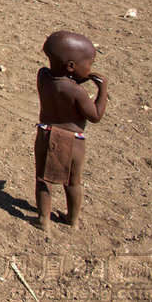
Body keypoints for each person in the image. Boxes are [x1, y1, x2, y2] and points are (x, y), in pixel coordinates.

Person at [35, 31, 107, 231]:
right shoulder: (78, 92)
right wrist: (102, 89)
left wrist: (77, 76)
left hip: (45, 133)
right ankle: (72, 220)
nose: (90, 69)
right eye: (89, 64)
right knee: (72, 183)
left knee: (43, 179)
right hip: (72, 140)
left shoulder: (43, 76)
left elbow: (59, 80)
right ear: (71, 66)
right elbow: (95, 116)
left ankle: (43, 220)